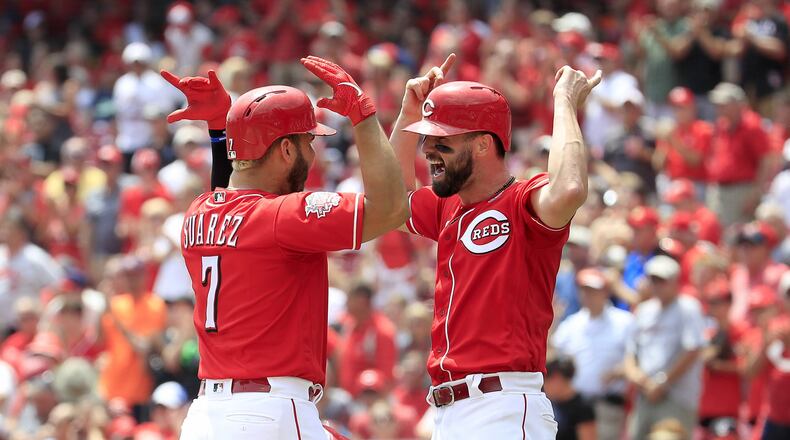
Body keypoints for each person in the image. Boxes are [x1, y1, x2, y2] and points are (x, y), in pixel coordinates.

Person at [162, 56, 408, 439]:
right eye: (308, 141)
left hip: (206, 416)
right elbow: (392, 208)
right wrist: (363, 115)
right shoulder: (282, 217)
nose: (313, 154)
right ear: (286, 151)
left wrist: (218, 129)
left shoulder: (197, 212)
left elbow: (228, 189)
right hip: (268, 412)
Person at [391, 52, 601, 438]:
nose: (427, 150)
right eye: (426, 139)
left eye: (442, 140)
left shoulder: (522, 201)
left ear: (485, 145)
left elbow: (569, 188)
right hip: (450, 410)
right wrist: (407, 114)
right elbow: (389, 201)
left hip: (503, 405)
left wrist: (564, 102)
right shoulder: (447, 207)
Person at [624, 255, 706, 440]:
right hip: (644, 394)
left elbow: (692, 350)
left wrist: (662, 382)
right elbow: (631, 352)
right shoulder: (644, 310)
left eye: (662, 280)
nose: (657, 285)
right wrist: (635, 375)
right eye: (653, 280)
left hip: (676, 396)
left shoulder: (688, 308)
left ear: (675, 282)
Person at [552, 268, 634, 440]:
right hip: (575, 405)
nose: (588, 295)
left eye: (594, 290)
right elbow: (553, 355)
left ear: (605, 292)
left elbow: (636, 359)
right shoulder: (571, 324)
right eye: (584, 290)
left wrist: (620, 371)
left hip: (607, 403)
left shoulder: (624, 322)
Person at [543, 357, 596, 440]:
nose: (544, 385)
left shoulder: (583, 407)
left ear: (557, 378)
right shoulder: (547, 403)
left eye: (546, 379)